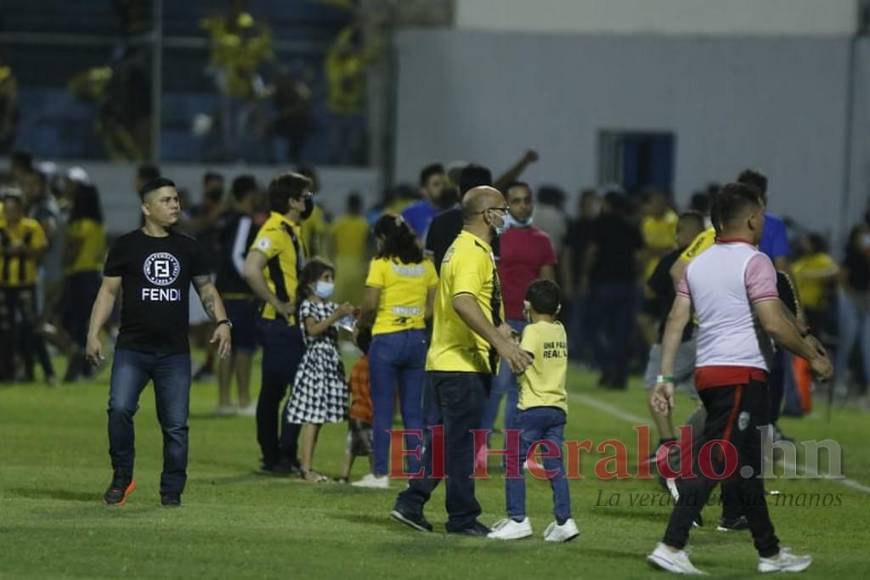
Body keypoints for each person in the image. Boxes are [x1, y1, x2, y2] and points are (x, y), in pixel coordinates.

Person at [647, 183, 832, 574]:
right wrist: (810, 357)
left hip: (711, 373)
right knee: (718, 460)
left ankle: (770, 553)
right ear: (751, 218)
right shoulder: (756, 261)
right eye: (761, 213)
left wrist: (665, 375)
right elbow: (773, 322)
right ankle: (672, 544)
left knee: (746, 469)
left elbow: (676, 320)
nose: (763, 220)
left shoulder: (697, 263)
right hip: (740, 375)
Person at [390, 186, 533, 537]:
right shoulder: (472, 253)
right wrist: (501, 343)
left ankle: (412, 501)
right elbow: (464, 302)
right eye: (503, 209)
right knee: (462, 446)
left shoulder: (461, 248)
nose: (507, 217)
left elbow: (468, 301)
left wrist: (502, 330)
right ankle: (462, 519)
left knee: (444, 443)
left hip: (444, 361)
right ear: (488, 215)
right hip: (461, 366)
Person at [86, 177, 232, 508]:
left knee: (176, 426)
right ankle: (122, 477)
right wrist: (93, 333)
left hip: (174, 353)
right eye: (166, 200)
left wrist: (222, 322)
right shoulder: (125, 246)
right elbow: (107, 292)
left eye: (176, 199)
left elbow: (206, 290)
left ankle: (171, 490)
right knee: (119, 409)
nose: (175, 205)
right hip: (132, 348)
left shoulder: (188, 246)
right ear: (146, 207)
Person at [487, 279, 579, 543]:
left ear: (527, 305)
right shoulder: (560, 330)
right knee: (555, 467)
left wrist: (506, 345)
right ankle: (565, 521)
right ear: (558, 308)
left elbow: (519, 364)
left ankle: (518, 520)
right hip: (557, 410)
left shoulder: (532, 331)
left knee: (513, 462)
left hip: (531, 408)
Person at [353, 214, 438, 489]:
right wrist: (413, 316)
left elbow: (369, 304)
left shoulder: (381, 263)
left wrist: (360, 326)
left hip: (387, 339)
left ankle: (380, 474)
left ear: (381, 239)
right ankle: (415, 474)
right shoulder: (425, 264)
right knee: (414, 413)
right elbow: (433, 306)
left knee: (383, 411)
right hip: (416, 340)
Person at [242, 172, 313, 475]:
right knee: (293, 390)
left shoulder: (291, 229)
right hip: (280, 325)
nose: (310, 200)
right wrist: (276, 302)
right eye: (306, 195)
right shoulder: (273, 230)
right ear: (293, 201)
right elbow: (250, 268)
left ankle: (276, 454)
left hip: (286, 325)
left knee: (276, 391)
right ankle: (280, 455)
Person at [481, 181, 556, 442]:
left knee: (519, 388)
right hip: (502, 320)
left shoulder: (542, 240)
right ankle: (481, 442)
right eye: (516, 201)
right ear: (507, 205)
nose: (523, 206)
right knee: (498, 386)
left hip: (531, 323)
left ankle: (513, 447)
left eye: (527, 200)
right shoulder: (495, 236)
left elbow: (548, 284)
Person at [285, 258, 354, 482]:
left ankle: (307, 464)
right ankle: (306, 468)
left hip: (331, 365)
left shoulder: (331, 306)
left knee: (319, 419)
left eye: (332, 278)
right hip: (315, 365)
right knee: (312, 418)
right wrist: (336, 316)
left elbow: (352, 329)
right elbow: (313, 330)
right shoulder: (308, 306)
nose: (330, 283)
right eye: (325, 278)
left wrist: (355, 316)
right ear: (310, 283)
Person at [643, 212, 706, 450]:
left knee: (655, 384)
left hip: (679, 337)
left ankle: (667, 444)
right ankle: (707, 444)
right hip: (710, 338)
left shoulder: (674, 260)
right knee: (707, 395)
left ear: (681, 233)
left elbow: (649, 291)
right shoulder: (712, 258)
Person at [425, 151, 539, 274]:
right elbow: (493, 273)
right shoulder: (491, 226)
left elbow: (429, 268)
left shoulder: (438, 222)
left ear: (459, 190)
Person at [582, 190, 644, 389]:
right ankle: (620, 374)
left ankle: (607, 367)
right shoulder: (631, 226)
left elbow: (592, 252)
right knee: (622, 332)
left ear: (607, 204)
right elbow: (639, 256)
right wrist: (637, 276)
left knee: (598, 330)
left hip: (603, 284)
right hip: (627, 284)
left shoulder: (598, 225)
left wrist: (584, 277)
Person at [213, 175, 261, 415]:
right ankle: (242, 400)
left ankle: (224, 401)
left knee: (227, 348)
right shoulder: (243, 220)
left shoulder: (227, 219)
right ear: (250, 194)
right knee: (243, 348)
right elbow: (236, 254)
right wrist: (252, 278)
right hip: (239, 295)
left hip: (224, 294)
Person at [0, 187, 48, 382]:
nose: (9, 212)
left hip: (25, 285)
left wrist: (22, 249)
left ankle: (33, 371)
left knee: (30, 327)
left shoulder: (32, 227)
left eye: (13, 208)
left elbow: (39, 252)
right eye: (7, 208)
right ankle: (6, 373)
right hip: (3, 285)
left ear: (21, 208)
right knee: (4, 330)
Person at [61, 183, 107, 382]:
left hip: (79, 275)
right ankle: (88, 367)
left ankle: (79, 368)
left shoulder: (79, 226)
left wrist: (65, 259)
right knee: (88, 325)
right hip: (94, 275)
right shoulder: (98, 226)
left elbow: (72, 252)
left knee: (75, 324)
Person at [561, 188, 600, 363]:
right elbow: (567, 255)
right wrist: (568, 282)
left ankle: (589, 353)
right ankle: (577, 353)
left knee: (592, 319)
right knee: (578, 317)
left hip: (598, 281)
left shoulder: (600, 226)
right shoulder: (577, 226)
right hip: (580, 280)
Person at [834, 224, 870, 400]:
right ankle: (839, 380)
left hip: (866, 300)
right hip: (850, 299)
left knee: (867, 344)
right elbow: (843, 279)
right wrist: (856, 298)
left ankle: (867, 386)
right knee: (847, 340)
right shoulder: (850, 256)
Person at [338, 325, 374, 484]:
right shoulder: (374, 365)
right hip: (369, 412)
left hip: (355, 411)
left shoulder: (358, 364)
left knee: (351, 446)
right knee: (373, 447)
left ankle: (343, 476)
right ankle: (376, 475)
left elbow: (349, 385)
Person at [329, 192, 369, 305]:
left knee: (338, 301)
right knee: (356, 302)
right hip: (359, 265)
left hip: (340, 265)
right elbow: (368, 248)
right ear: (360, 206)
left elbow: (331, 245)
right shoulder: (364, 224)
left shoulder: (338, 223)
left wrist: (331, 261)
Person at [402, 163, 446, 241]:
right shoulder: (411, 213)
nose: (442, 188)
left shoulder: (451, 211)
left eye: (444, 184)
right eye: (436, 184)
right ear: (423, 189)